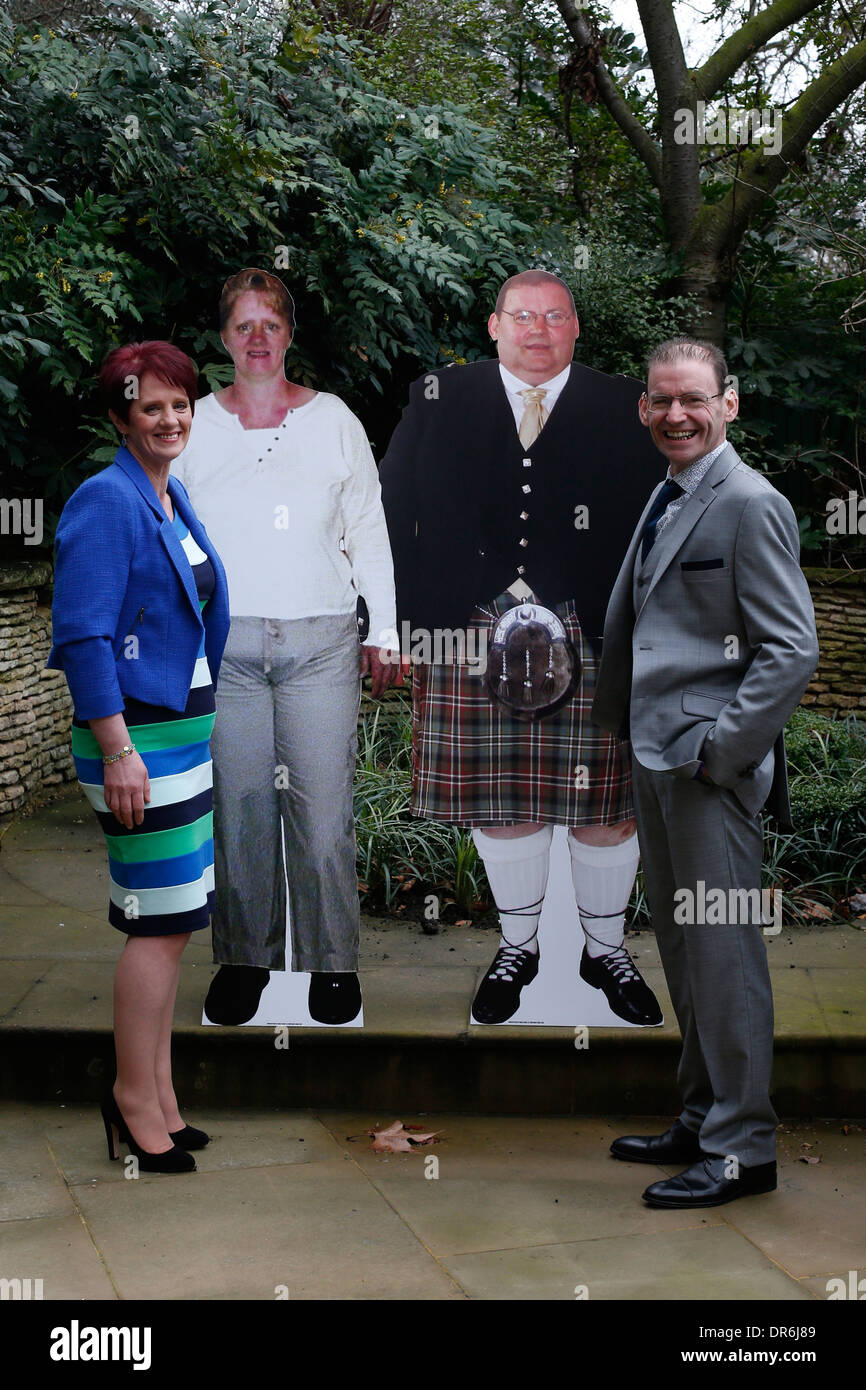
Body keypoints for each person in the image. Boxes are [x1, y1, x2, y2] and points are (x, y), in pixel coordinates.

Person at [379, 269, 663, 1025]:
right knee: (501, 805)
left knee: (609, 808)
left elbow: (659, 520)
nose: (538, 329)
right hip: (465, 624)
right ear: (494, 325)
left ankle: (605, 951)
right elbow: (390, 507)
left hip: (594, 623)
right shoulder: (437, 395)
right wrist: (395, 624)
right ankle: (518, 948)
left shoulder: (623, 403)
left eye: (555, 316)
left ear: (576, 329)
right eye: (522, 316)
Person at [592, 337, 819, 1208]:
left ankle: (742, 1150)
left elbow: (792, 649)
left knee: (724, 957)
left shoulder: (750, 501)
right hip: (656, 757)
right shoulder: (671, 488)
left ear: (730, 402)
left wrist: (722, 753)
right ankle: (702, 1116)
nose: (675, 415)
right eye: (660, 400)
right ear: (645, 408)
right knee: (686, 951)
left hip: (706, 771)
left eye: (692, 399)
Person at [172, 268, 398, 1027]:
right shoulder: (192, 426)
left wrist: (387, 629)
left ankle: (334, 964)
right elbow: (169, 537)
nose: (258, 338)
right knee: (238, 810)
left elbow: (368, 526)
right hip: (225, 647)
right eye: (243, 325)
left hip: (321, 641)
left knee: (323, 808)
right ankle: (244, 961)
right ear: (224, 338)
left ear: (289, 334)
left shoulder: (333, 419)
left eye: (271, 323)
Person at [47, 341, 230, 1173]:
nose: (169, 420)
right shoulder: (105, 499)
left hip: (180, 734)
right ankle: (131, 1101)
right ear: (120, 417)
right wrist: (117, 749)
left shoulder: (167, 493)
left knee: (177, 921)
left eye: (180, 404)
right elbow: (82, 636)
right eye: (150, 407)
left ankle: (159, 1095)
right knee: (156, 929)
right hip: (138, 741)